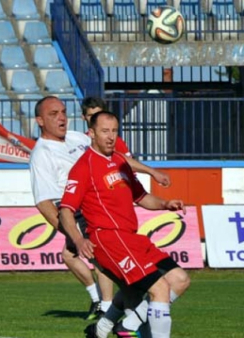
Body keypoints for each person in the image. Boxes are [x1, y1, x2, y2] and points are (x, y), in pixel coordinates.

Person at [58, 110, 190, 338]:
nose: (110, 136)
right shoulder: (83, 166)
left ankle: (110, 327)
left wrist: (165, 203)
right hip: (108, 239)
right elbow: (65, 210)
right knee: (160, 289)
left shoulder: (120, 162)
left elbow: (141, 197)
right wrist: (78, 238)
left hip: (131, 237)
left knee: (180, 280)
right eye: (105, 131)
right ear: (92, 134)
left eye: (114, 131)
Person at [29, 96, 171, 320]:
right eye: (53, 114)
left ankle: (108, 316)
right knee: (117, 272)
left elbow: (117, 158)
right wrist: (73, 235)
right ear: (39, 120)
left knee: (123, 278)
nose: (62, 118)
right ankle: (116, 315)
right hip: (80, 214)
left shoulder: (77, 138)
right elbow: (44, 202)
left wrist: (150, 171)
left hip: (103, 210)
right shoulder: (42, 154)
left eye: (63, 112)